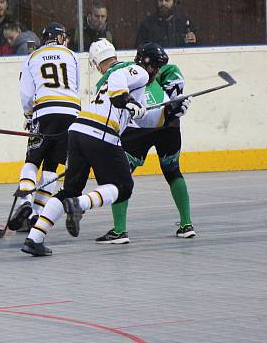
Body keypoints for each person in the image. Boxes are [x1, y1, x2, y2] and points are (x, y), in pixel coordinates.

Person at [20, 38, 168, 256]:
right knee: (123, 186)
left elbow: (145, 119)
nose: (157, 71)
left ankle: (34, 238)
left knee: (69, 190)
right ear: (149, 63)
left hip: (78, 130)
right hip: (101, 133)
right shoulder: (138, 72)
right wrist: (125, 101)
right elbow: (119, 84)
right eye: (157, 66)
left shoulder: (135, 83)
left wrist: (173, 111)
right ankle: (78, 205)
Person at [96, 43, 194, 244]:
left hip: (138, 129)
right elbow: (174, 72)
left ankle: (120, 230)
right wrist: (175, 98)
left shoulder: (116, 74)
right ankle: (187, 225)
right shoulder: (154, 70)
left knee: (119, 177)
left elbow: (106, 103)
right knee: (173, 171)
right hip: (168, 124)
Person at [7, 22, 80, 233]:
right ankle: (37, 215)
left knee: (32, 161)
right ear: (60, 38)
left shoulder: (32, 57)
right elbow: (74, 86)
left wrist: (29, 116)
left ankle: (25, 202)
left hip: (45, 113)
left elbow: (27, 95)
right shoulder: (72, 56)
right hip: (70, 114)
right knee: (51, 168)